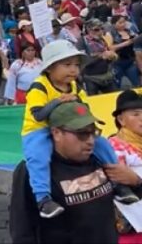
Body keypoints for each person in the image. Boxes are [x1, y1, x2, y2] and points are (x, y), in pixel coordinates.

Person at [21, 40, 137, 219]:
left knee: (102, 143)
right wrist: (58, 101)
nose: (74, 70)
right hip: (39, 130)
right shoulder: (39, 86)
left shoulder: (75, 85)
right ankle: (43, 199)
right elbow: (38, 115)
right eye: (67, 65)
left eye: (76, 65)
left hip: (71, 127)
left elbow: (84, 108)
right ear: (50, 67)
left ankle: (117, 183)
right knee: (38, 157)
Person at [10, 101, 122, 243]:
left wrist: (135, 181)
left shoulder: (98, 158)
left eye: (93, 133)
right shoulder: (31, 170)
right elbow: (22, 229)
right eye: (82, 134)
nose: (90, 141)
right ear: (56, 133)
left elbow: (133, 200)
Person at [108, 90, 142, 242]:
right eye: (136, 114)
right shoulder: (114, 145)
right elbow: (119, 179)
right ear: (121, 120)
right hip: (131, 222)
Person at [79, 19, 119, 95]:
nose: (100, 31)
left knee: (115, 97)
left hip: (106, 76)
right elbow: (83, 61)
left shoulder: (102, 40)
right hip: (91, 77)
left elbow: (107, 55)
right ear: (88, 30)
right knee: (92, 100)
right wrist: (100, 56)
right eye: (96, 29)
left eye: (102, 29)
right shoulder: (82, 42)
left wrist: (111, 57)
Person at [110, 15, 140, 88]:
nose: (123, 24)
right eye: (120, 23)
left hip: (130, 61)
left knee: (136, 83)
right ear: (114, 24)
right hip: (118, 62)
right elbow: (110, 48)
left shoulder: (130, 31)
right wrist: (126, 43)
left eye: (124, 22)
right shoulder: (111, 34)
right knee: (117, 85)